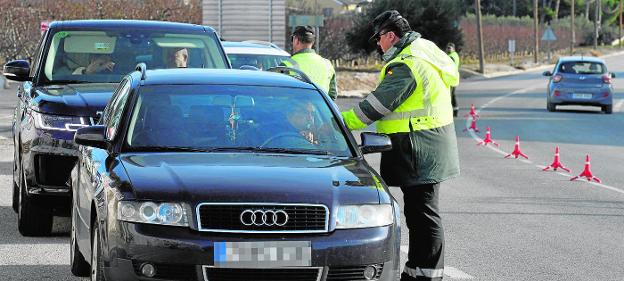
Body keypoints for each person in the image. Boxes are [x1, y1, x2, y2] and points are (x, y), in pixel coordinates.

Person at [340, 10, 460, 281]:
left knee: (423, 213)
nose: (378, 44)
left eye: (379, 39)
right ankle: (415, 269)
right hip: (428, 143)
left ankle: (427, 273)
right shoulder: (425, 48)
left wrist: (339, 121)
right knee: (418, 212)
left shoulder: (407, 63)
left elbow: (375, 107)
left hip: (419, 145)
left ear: (391, 36)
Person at [282, 26, 338, 100]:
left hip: (295, 110)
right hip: (320, 110)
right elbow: (332, 95)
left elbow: (280, 95)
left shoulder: (287, 65)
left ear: (296, 40)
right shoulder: (327, 64)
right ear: (313, 42)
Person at [445, 43, 460, 117]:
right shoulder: (455, 55)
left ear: (453, 49)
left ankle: (453, 111)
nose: (448, 49)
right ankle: (455, 110)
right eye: (447, 48)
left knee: (450, 95)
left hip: (450, 78)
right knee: (452, 95)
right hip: (453, 78)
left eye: (449, 48)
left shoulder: (451, 57)